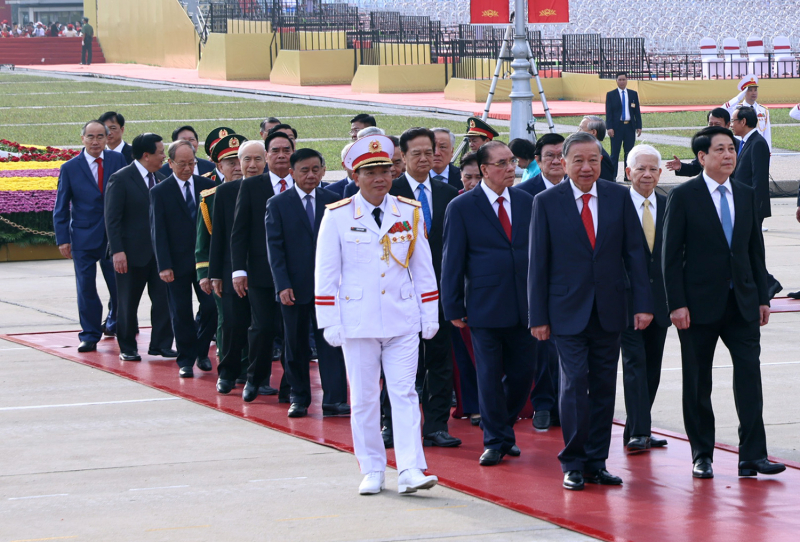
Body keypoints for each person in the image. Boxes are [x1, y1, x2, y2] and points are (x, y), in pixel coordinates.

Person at [315, 134, 439, 495]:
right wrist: (330, 321)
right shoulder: (337, 216)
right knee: (365, 398)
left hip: (402, 318)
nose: (380, 178)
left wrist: (429, 312)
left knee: (404, 393)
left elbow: (423, 268)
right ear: (355, 176)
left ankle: (410, 469)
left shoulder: (408, 211)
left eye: (385, 170)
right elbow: (326, 273)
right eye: (370, 172)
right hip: (358, 320)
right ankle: (371, 467)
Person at [528, 131, 654, 491]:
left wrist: (643, 305)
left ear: (603, 162)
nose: (586, 167)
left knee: (603, 386)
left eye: (594, 160)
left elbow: (634, 255)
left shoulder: (617, 196)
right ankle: (572, 461)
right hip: (565, 311)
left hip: (611, 309)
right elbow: (538, 264)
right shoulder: (547, 202)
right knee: (573, 384)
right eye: (578, 160)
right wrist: (537, 317)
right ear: (562, 163)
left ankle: (596, 462)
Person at [662, 125, 785, 479]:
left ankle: (753, 456)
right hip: (698, 306)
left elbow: (753, 251)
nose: (728, 155)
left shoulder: (746, 193)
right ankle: (702, 453)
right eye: (720, 150)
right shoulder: (684, 196)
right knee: (698, 381)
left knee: (750, 376)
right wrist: (676, 304)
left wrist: (762, 296)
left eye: (731, 149)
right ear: (702, 157)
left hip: (743, 303)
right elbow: (671, 256)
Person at [442, 140, 535, 466]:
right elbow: (452, 260)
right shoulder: (463, 206)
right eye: (502, 163)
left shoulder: (526, 202)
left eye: (512, 162)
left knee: (524, 375)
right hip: (484, 305)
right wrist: (452, 306)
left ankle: (501, 427)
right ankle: (495, 441)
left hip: (525, 306)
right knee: (489, 376)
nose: (511, 168)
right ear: (484, 170)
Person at [391, 127, 461, 448]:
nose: (423, 158)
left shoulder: (450, 195)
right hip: (400, 295)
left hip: (441, 296)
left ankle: (435, 425)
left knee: (440, 362)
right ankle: (393, 425)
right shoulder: (389, 194)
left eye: (428, 152)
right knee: (401, 363)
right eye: (415, 153)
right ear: (403, 157)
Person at [266, 148, 349, 417]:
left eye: (316, 169)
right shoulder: (278, 203)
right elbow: (274, 249)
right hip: (294, 288)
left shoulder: (335, 201)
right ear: (292, 173)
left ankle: (335, 399)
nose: (311, 175)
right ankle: (299, 398)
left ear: (324, 170)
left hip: (329, 289)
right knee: (296, 345)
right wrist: (282, 285)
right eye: (304, 170)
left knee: (331, 344)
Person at [230, 132, 295, 401]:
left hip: (295, 272)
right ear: (267, 156)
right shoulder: (252, 186)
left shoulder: (303, 181)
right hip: (260, 272)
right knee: (263, 327)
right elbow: (239, 232)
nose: (281, 155)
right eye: (275, 151)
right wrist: (239, 270)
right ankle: (255, 379)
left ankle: (291, 387)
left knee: (293, 332)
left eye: (286, 150)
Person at [53, 120, 126, 352]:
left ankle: (118, 326)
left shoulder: (118, 161)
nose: (96, 141)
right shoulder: (70, 168)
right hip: (83, 238)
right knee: (86, 288)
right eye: (91, 137)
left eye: (100, 137)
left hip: (113, 238)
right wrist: (63, 239)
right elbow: (61, 206)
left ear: (107, 139)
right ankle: (89, 334)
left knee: (118, 287)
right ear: (82, 138)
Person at [104, 132, 175, 362]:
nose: (164, 156)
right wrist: (117, 251)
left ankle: (161, 344)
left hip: (159, 255)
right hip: (130, 254)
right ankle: (127, 346)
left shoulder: (162, 178)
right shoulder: (121, 178)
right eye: (161, 152)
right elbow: (112, 219)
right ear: (146, 155)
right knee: (127, 303)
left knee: (164, 301)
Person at [150, 140, 217, 378]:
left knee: (211, 307)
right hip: (175, 265)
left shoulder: (207, 187)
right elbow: (158, 232)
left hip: (204, 264)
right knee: (181, 312)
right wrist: (164, 265)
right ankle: (186, 360)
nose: (188, 168)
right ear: (170, 163)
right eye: (182, 164)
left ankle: (201, 351)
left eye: (192, 163)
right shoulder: (160, 191)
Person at [619, 145, 670, 453]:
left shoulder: (669, 205)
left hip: (661, 302)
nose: (647, 174)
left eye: (653, 169)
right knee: (635, 363)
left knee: (652, 366)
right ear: (629, 173)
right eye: (640, 169)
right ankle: (640, 431)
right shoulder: (617, 206)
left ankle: (639, 427)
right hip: (626, 303)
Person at [515, 133, 566, 432]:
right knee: (543, 349)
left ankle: (566, 402)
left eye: (562, 155)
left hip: (575, 283)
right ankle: (544, 404)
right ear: (537, 161)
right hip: (538, 282)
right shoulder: (524, 194)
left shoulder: (583, 189)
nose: (557, 161)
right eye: (550, 156)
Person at [205, 135, 257, 397]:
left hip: (262, 270)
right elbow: (219, 237)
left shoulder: (271, 188)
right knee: (233, 324)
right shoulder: (224, 192)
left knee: (260, 327)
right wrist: (214, 273)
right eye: (244, 159)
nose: (249, 165)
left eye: (257, 159)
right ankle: (227, 374)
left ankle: (255, 377)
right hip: (229, 270)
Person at [665, 108, 731, 177]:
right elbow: (695, 168)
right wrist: (681, 166)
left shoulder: (737, 145)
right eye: (711, 124)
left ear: (727, 125)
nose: (713, 128)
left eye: (717, 125)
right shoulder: (705, 144)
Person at [605, 72, 642, 182]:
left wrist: (639, 126)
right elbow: (609, 113)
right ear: (616, 81)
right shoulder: (611, 94)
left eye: (623, 79)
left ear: (627, 80)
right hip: (617, 128)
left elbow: (637, 111)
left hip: (629, 127)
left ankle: (628, 176)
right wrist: (609, 127)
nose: (622, 81)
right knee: (614, 154)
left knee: (629, 153)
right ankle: (613, 177)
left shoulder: (633, 94)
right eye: (619, 79)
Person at [723, 74, 771, 150]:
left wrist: (769, 151)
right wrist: (738, 98)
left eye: (755, 90)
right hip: (741, 146)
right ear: (744, 92)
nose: (754, 93)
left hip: (758, 146)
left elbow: (767, 133)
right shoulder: (737, 108)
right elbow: (723, 110)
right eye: (750, 90)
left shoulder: (763, 110)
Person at [578, 115, 615, 182]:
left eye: (581, 128)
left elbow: (606, 184)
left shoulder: (602, 158)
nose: (578, 132)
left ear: (593, 132)